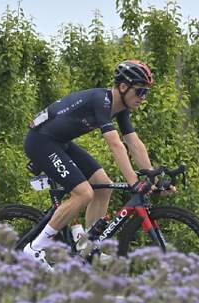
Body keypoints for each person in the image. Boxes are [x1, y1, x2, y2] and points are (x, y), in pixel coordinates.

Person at [23, 60, 164, 268]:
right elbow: (115, 144)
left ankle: (86, 246)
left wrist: (154, 178)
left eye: (146, 93)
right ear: (124, 87)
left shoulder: (121, 109)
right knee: (84, 193)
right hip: (41, 141)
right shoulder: (102, 100)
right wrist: (134, 182)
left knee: (103, 186)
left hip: (59, 142)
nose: (143, 98)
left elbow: (134, 143)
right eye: (140, 91)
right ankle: (34, 248)